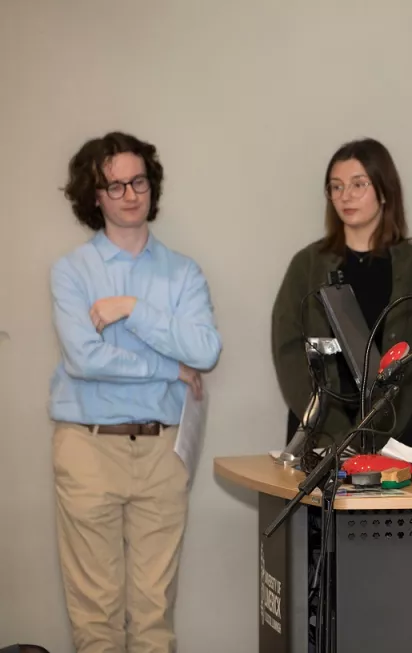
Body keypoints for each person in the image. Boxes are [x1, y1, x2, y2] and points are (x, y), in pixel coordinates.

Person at [50, 132, 222, 652]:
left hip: (162, 451)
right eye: (115, 184)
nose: (130, 194)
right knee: (95, 616)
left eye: (139, 181)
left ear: (152, 186)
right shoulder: (72, 272)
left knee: (154, 615)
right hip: (87, 447)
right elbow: (85, 360)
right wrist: (170, 369)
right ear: (95, 195)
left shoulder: (183, 273)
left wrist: (130, 308)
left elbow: (207, 351)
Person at [272, 138, 412, 449]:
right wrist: (338, 434)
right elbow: (288, 351)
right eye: (335, 187)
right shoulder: (307, 264)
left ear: (383, 191)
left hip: (395, 432)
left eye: (357, 184)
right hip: (320, 434)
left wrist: (373, 433)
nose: (345, 196)